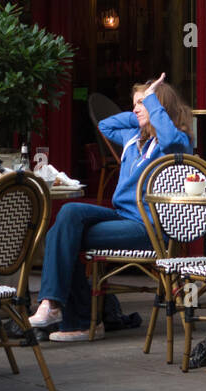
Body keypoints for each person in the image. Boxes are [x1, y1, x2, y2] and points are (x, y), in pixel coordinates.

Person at [28, 73, 192, 342]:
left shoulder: (175, 141)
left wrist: (152, 105)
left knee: (61, 237)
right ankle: (55, 307)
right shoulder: (132, 136)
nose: (135, 108)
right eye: (136, 103)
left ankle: (71, 316)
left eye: (143, 103)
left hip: (148, 227)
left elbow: (171, 139)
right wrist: (142, 114)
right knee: (68, 214)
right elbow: (105, 125)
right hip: (121, 215)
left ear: (160, 107)